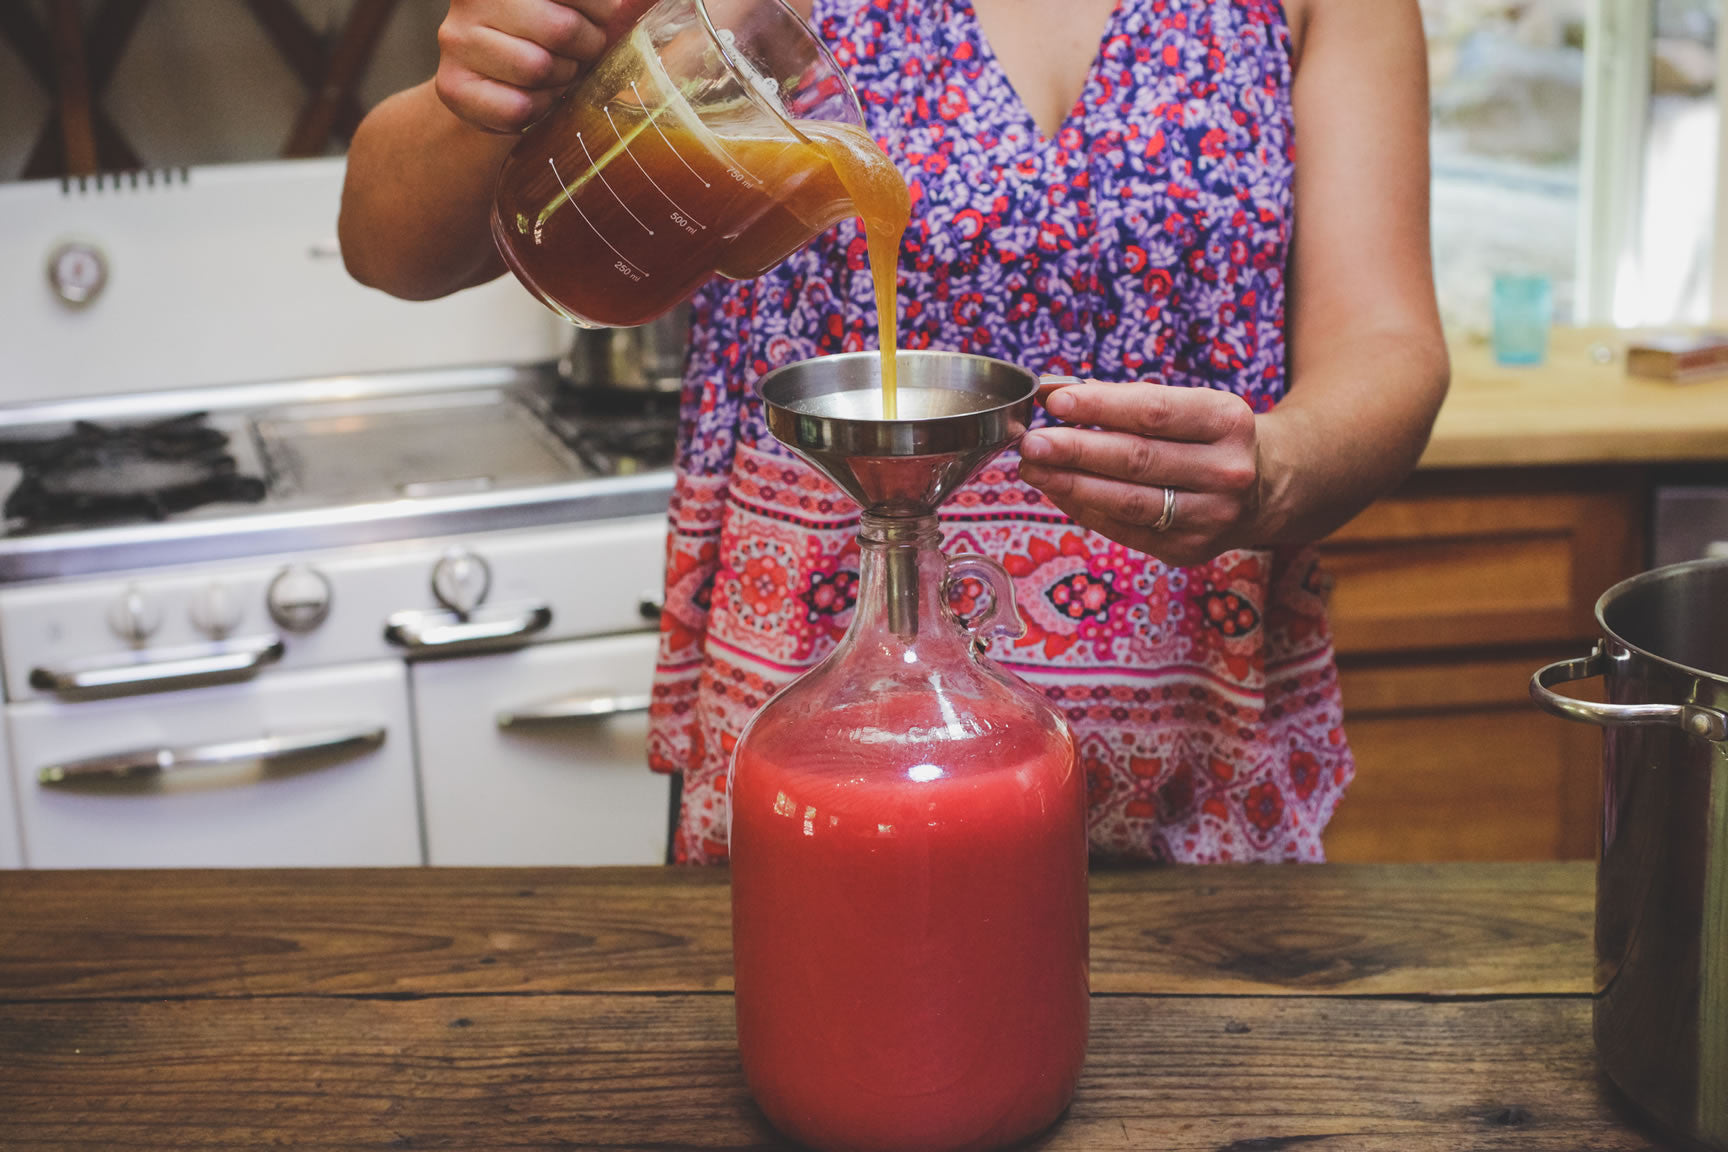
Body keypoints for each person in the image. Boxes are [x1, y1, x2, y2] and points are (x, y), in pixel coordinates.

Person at [340, 0, 1449, 864]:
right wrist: (482, 90)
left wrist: (1278, 473)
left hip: (1195, 753)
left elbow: (1390, 342)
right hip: (821, 740)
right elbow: (395, 248)